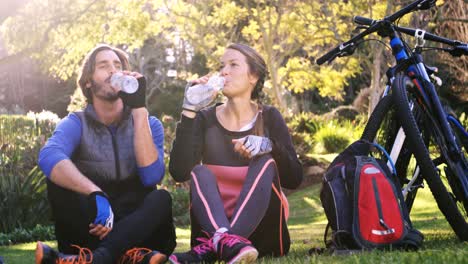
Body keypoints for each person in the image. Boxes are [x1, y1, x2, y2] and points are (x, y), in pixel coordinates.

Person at [35, 44, 176, 264]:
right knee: (56, 179)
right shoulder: (76, 122)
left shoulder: (148, 123)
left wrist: (139, 108)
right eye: (104, 66)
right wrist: (95, 193)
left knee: (161, 197)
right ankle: (125, 257)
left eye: (117, 65)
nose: (113, 70)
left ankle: (96, 258)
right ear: (88, 81)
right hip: (93, 226)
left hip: (138, 228)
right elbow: (48, 155)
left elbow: (151, 177)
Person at [168, 43, 303, 263]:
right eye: (222, 66)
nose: (224, 71)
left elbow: (294, 178)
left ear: (253, 76)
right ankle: (226, 241)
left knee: (265, 162)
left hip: (262, 239)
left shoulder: (269, 117)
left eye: (233, 65)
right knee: (199, 171)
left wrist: (268, 145)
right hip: (212, 230)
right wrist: (189, 110)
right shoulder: (205, 119)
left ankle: (221, 243)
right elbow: (179, 172)